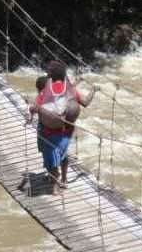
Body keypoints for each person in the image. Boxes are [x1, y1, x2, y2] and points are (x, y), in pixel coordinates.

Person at [29, 60, 96, 194]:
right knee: (62, 155)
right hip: (66, 132)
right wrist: (93, 90)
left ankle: (55, 184)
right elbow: (85, 102)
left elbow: (35, 108)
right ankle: (64, 179)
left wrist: (31, 110)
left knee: (51, 158)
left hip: (48, 132)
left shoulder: (44, 93)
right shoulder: (71, 91)